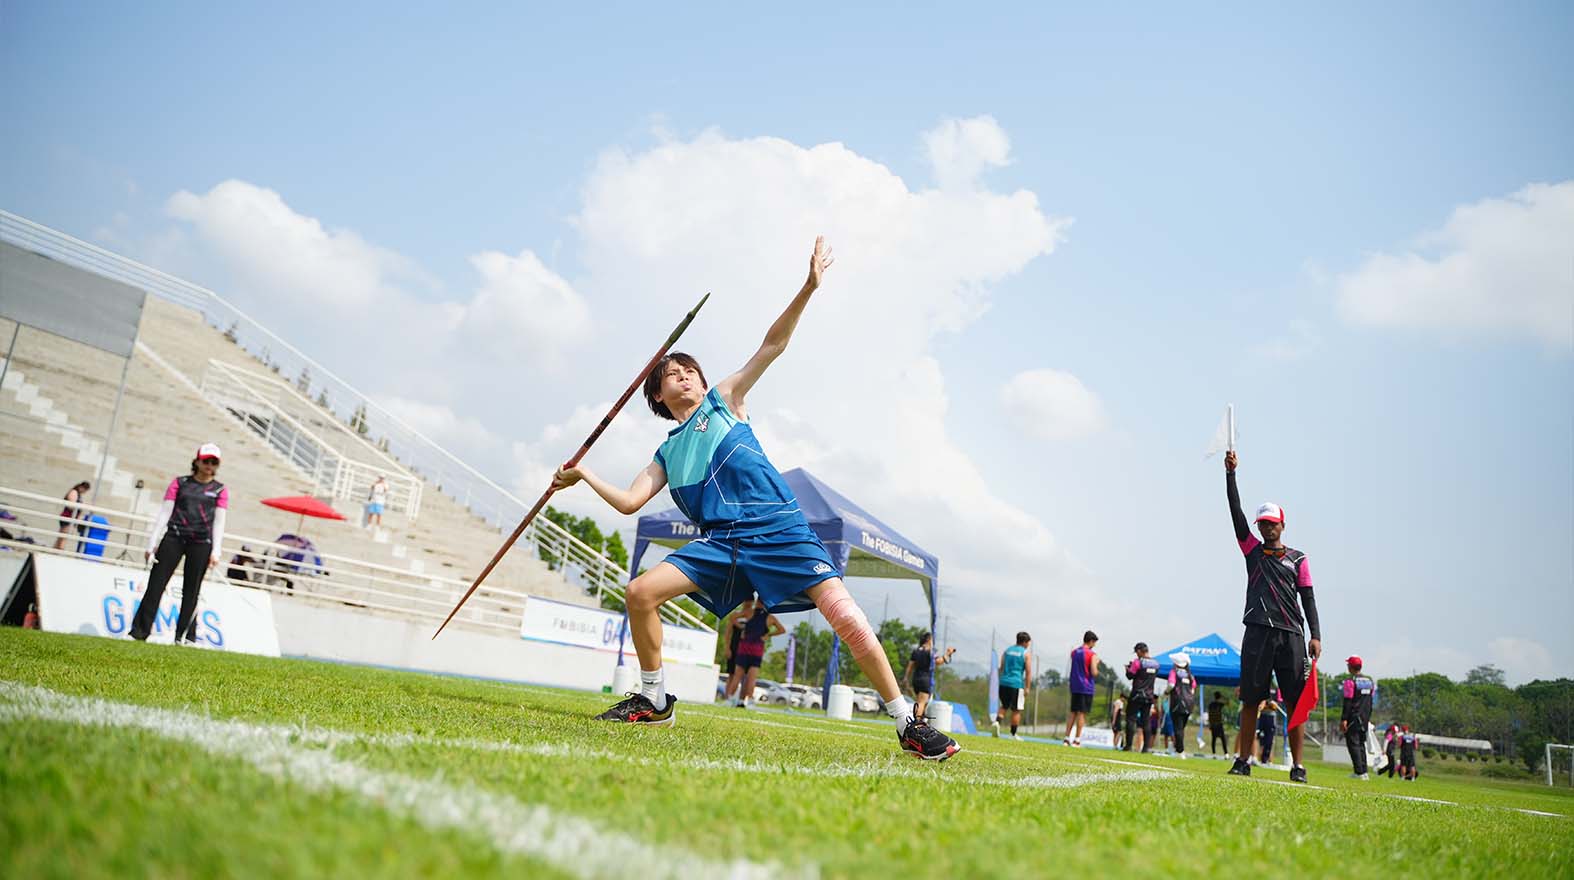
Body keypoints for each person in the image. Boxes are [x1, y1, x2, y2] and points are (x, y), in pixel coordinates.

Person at [551, 238, 959, 760]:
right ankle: (654, 699)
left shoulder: (725, 402)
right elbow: (631, 502)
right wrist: (583, 475)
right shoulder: (666, 453)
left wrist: (808, 288)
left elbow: (772, 346)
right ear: (657, 396)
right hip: (723, 545)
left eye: (688, 370)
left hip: (782, 532)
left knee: (848, 619)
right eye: (671, 376)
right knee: (639, 593)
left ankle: (908, 723)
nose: (683, 377)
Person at [1223, 450, 1322, 784]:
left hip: (1291, 634)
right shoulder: (1251, 550)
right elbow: (1235, 513)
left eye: (1271, 523)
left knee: (1294, 702)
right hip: (1257, 632)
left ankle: (1299, 767)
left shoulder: (1299, 558)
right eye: (1262, 524)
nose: (1266, 528)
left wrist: (1315, 635)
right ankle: (1243, 760)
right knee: (1251, 699)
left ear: (1283, 524)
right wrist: (1231, 475)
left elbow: (1308, 597)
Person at [129, 444, 228, 643]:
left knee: (192, 590)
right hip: (174, 537)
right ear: (197, 461)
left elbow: (219, 522)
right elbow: (164, 513)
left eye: (213, 462)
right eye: (206, 461)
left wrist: (216, 550)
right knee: (156, 584)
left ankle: (184, 636)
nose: (209, 465)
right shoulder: (180, 483)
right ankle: (139, 632)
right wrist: (151, 544)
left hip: (201, 543)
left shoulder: (220, 490)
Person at [724, 595, 783, 707]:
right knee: (751, 678)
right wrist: (768, 635)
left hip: (744, 648)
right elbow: (782, 630)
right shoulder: (770, 618)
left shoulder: (749, 612)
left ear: (757, 602)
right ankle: (749, 701)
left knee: (737, 676)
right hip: (757, 650)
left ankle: (730, 699)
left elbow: (732, 617)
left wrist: (741, 627)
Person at [1340, 655, 1376, 779]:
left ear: (1350, 667)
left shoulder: (1350, 682)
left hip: (1353, 718)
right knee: (1361, 744)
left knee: (1353, 744)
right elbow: (1370, 702)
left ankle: (1358, 772)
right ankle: (1364, 771)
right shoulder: (1370, 682)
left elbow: (1348, 702)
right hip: (1365, 718)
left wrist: (1344, 719)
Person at [904, 631, 955, 720]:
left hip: (916, 679)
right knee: (921, 703)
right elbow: (938, 661)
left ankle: (920, 720)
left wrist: (906, 678)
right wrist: (947, 654)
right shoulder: (930, 652)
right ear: (928, 640)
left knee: (920, 702)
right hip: (925, 679)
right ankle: (916, 723)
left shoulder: (916, 651)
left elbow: (910, 666)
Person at [991, 632, 1032, 740]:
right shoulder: (1025, 653)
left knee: (1004, 706)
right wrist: (1027, 687)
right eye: (1028, 643)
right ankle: (1013, 734)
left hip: (1004, 682)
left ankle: (996, 722)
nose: (1028, 645)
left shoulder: (1007, 651)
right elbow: (1028, 672)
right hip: (1016, 684)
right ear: (1024, 642)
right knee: (1016, 709)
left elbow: (1001, 667)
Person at [1064, 630, 1099, 746]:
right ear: (1091, 641)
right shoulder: (1092, 654)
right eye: (1094, 643)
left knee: (1073, 712)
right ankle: (1077, 740)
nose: (1094, 645)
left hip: (1074, 685)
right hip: (1086, 686)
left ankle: (1066, 738)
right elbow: (1094, 672)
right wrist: (1097, 664)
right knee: (1081, 713)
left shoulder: (1074, 652)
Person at [1124, 642, 1158, 753]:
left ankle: (1128, 746)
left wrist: (1128, 669)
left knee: (1131, 719)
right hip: (1149, 696)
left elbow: (1130, 676)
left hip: (1137, 694)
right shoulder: (1156, 664)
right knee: (1146, 721)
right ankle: (1146, 748)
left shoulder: (1137, 662)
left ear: (1139, 651)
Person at [718, 596, 754, 687]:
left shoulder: (754, 616)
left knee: (744, 674)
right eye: (746, 601)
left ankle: (740, 698)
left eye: (750, 601)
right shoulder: (735, 615)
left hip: (747, 648)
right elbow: (728, 633)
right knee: (731, 673)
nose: (748, 603)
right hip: (734, 647)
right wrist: (727, 648)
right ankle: (728, 697)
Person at [1168, 654, 1198, 758]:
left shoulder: (1174, 672)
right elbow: (1193, 690)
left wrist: (1166, 692)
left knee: (1178, 728)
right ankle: (1178, 749)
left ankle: (1180, 752)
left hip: (1177, 703)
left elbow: (1171, 685)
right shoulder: (1190, 675)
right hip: (1189, 704)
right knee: (1181, 728)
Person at [54, 480, 91, 550]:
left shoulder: (77, 494)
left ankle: (56, 550)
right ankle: (59, 550)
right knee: (63, 536)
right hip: (68, 516)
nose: (84, 492)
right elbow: (71, 505)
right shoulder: (74, 492)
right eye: (85, 490)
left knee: (62, 536)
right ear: (81, 487)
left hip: (71, 517)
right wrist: (79, 507)